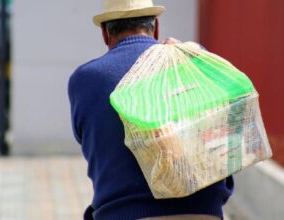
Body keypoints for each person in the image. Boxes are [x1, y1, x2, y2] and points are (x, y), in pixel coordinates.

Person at [68, 0, 233, 219]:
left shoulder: (85, 79)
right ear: (156, 27)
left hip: (124, 213)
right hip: (204, 213)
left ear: (105, 34)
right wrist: (191, 52)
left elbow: (88, 140)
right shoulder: (194, 63)